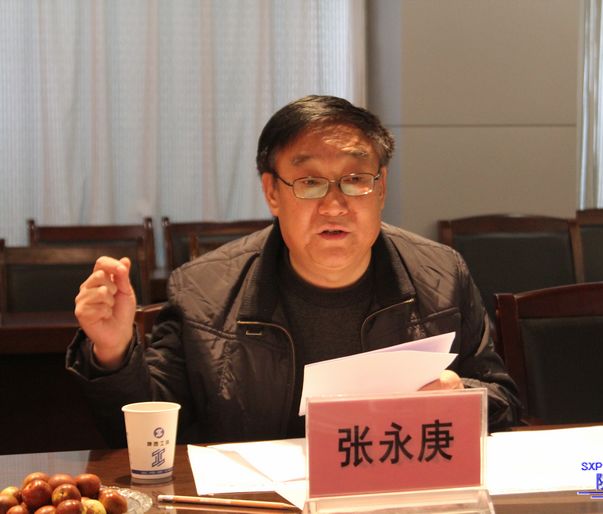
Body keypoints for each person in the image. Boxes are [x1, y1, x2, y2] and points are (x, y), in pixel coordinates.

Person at [67, 95, 520, 447]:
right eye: (309, 182)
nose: (335, 205)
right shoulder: (202, 290)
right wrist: (113, 352)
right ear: (272, 192)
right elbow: (151, 435)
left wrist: (463, 396)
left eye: (355, 179)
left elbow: (503, 398)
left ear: (380, 188)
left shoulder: (441, 274)